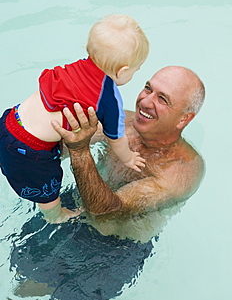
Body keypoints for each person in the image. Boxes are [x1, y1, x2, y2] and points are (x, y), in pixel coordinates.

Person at [0, 14, 149, 222]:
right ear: (122, 71)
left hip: (10, 121)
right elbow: (116, 137)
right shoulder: (108, 97)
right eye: (136, 70)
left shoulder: (74, 68)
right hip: (31, 149)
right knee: (47, 190)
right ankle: (56, 216)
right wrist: (128, 158)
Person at [52, 65, 205, 225]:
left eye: (162, 99)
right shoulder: (122, 122)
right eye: (148, 89)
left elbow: (106, 213)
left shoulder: (180, 169)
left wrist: (80, 152)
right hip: (73, 201)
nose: (145, 102)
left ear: (184, 119)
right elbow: (58, 144)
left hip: (115, 244)